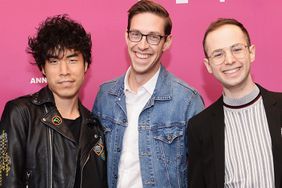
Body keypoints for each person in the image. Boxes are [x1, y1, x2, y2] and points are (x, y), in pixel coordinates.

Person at [92, 0, 204, 187]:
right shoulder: (105, 96)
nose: (142, 46)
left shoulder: (187, 101)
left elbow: (202, 175)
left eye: (153, 37)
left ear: (166, 42)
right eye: (136, 34)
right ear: (127, 37)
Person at [0, 15, 107, 188]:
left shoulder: (95, 128)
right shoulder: (21, 114)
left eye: (72, 60)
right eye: (54, 62)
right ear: (43, 68)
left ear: (86, 65)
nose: (64, 71)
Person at [188, 18, 282, 188]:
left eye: (237, 49)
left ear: (251, 52)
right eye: (218, 54)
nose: (229, 60)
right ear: (208, 65)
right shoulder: (199, 127)